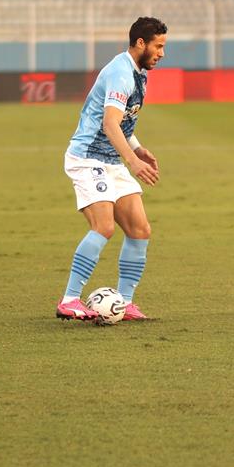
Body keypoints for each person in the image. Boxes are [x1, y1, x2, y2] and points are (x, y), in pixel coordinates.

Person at [56, 16, 167, 321]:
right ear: (140, 43)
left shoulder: (137, 72)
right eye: (158, 46)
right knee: (103, 226)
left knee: (139, 229)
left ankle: (125, 303)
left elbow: (123, 123)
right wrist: (133, 162)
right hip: (89, 158)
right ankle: (69, 299)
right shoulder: (121, 73)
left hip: (112, 160)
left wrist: (137, 149)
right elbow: (109, 123)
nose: (161, 53)